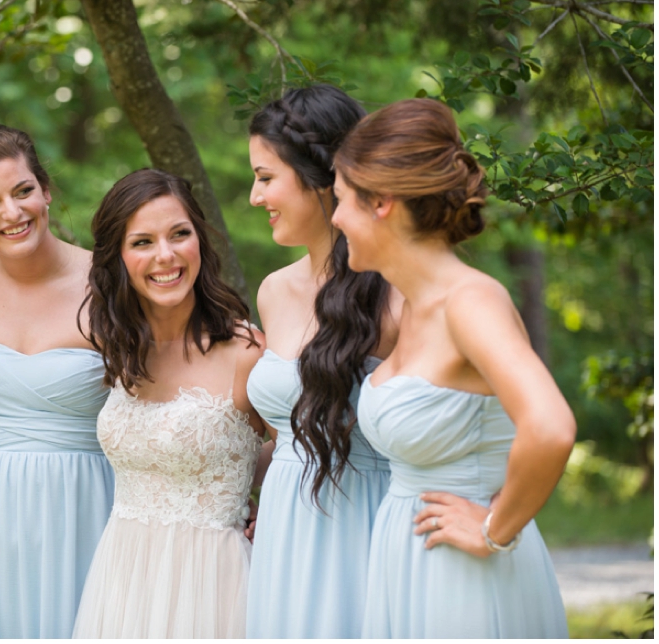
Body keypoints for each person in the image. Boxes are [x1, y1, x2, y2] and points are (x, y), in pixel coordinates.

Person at [330, 98, 574, 637]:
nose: (335, 217)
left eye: (341, 199)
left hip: (465, 574)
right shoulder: (412, 304)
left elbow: (551, 426)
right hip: (405, 561)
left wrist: (495, 528)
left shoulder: (470, 302)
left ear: (382, 204)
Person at [71, 168, 264, 638]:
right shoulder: (117, 347)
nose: (166, 256)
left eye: (180, 234)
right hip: (122, 575)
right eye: (142, 242)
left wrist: (265, 507)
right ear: (117, 256)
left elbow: (295, 450)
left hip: (212, 585)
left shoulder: (246, 351)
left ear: (200, 240)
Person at [0, 124, 114, 638]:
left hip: (91, 503)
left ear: (45, 190)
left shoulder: (109, 282)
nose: (12, 214)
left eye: (23, 192)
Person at [244, 84, 401, 637]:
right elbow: (287, 432)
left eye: (265, 178)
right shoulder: (272, 291)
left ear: (320, 176)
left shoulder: (397, 296)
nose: (254, 197)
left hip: (363, 525)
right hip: (284, 526)